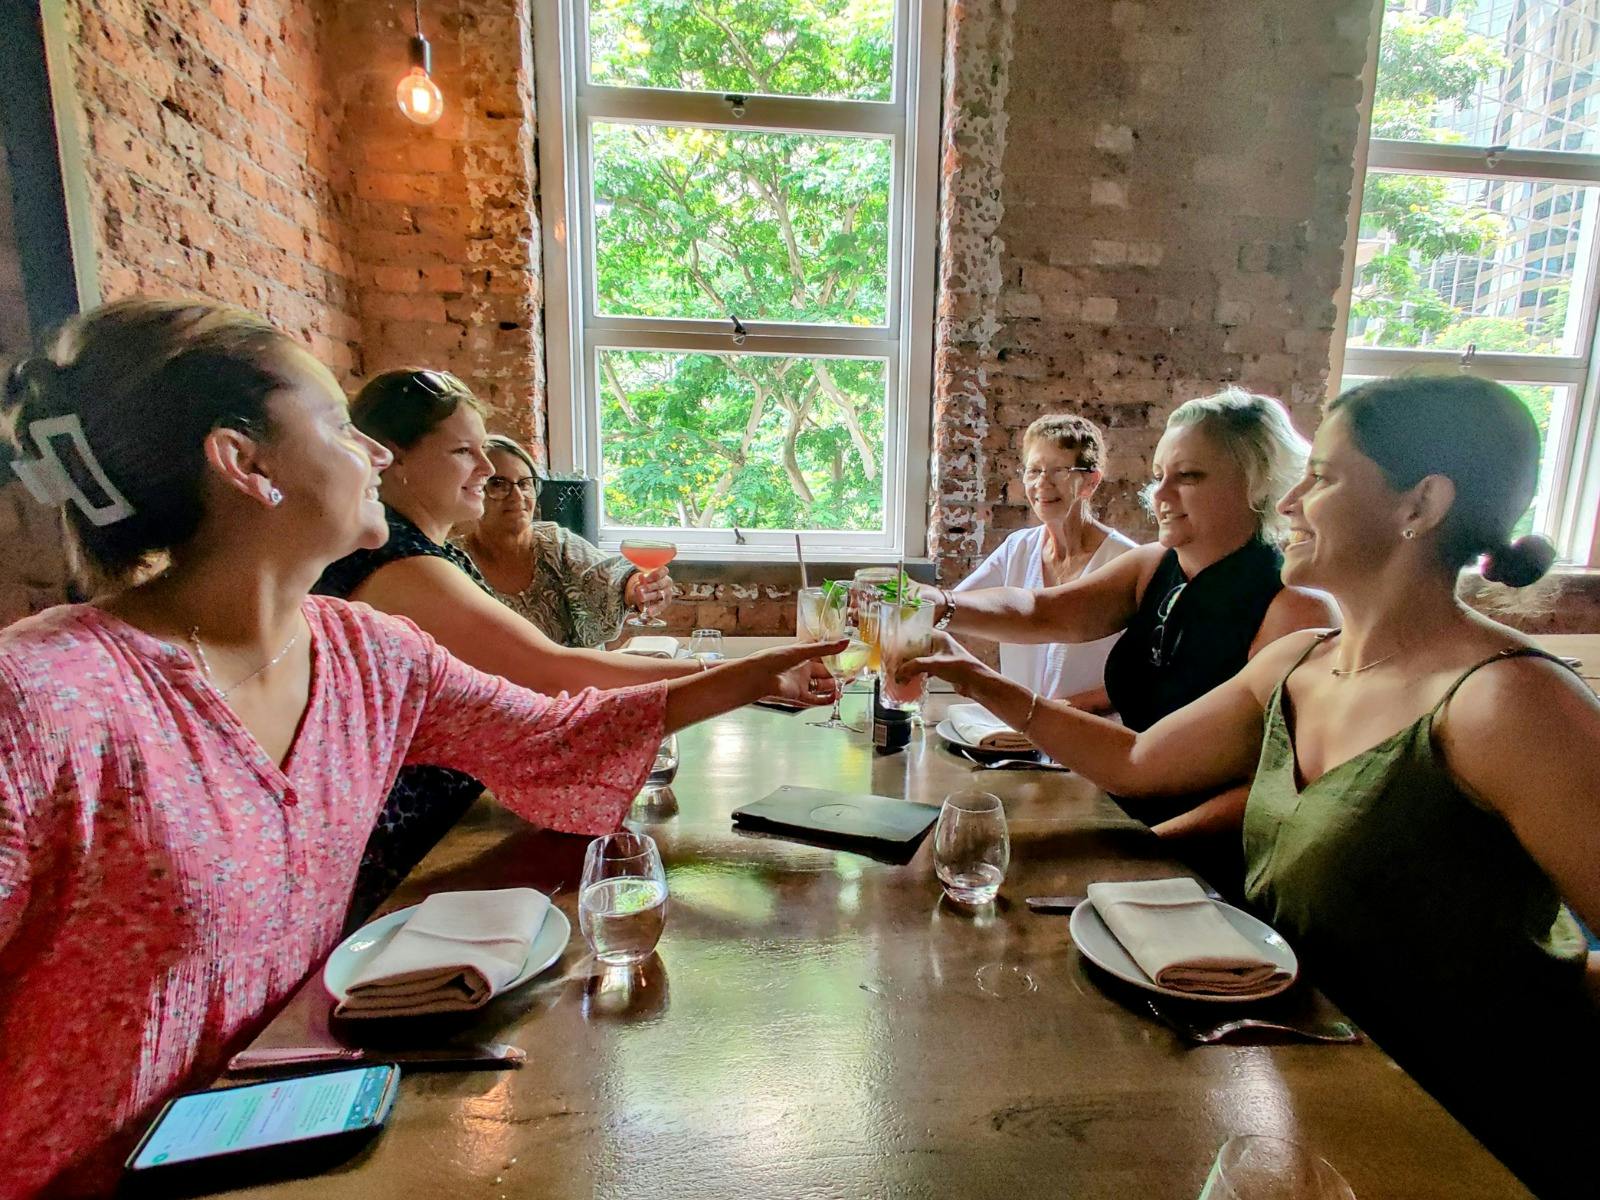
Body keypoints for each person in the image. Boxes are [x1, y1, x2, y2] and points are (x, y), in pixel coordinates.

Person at [0, 299, 839, 1197]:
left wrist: (750, 675)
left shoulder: (368, 653)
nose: (373, 454)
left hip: (283, 1139)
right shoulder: (44, 698)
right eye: (337, 425)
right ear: (243, 462)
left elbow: (550, 738)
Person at [900, 375, 1600, 1200]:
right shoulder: (1300, 661)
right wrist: (971, 677)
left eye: (1325, 478)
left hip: (1459, 1135)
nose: (1293, 500)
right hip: (1303, 1085)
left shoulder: (1511, 702)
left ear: (1423, 504)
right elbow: (1135, 765)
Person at [315, 369, 835, 920]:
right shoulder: (403, 567)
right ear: (388, 459)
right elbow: (550, 672)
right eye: (464, 451)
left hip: (461, 825)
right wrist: (742, 675)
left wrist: (736, 674)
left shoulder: (434, 552)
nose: (489, 469)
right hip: (410, 861)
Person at [926, 389, 1337, 833]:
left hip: (1195, 850)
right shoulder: (1154, 565)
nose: (1159, 493)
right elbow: (1041, 612)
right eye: (1159, 474)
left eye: (1189, 476)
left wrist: (1149, 847)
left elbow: (1272, 787)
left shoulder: (1296, 610)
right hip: (1116, 805)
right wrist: (942, 605)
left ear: (1259, 484)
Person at [952, 413, 1137, 710]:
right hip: (1017, 739)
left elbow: (1144, 679)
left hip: (1091, 739)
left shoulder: (1126, 560)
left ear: (1091, 482)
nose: (1042, 483)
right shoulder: (1017, 548)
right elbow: (952, 607)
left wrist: (1054, 714)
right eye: (1034, 470)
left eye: (1059, 471)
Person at [460, 434, 659, 648]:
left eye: (525, 484)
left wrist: (637, 588)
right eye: (498, 484)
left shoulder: (554, 542)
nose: (517, 496)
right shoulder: (453, 562)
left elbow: (608, 575)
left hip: (584, 679)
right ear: (472, 490)